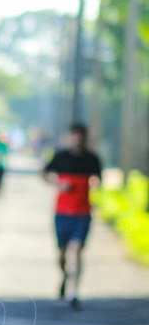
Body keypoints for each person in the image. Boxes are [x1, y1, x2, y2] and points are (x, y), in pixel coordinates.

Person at [42, 123, 102, 310]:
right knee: (62, 254)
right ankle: (65, 275)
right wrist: (58, 184)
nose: (78, 139)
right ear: (70, 137)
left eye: (81, 136)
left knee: (76, 250)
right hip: (62, 212)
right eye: (75, 135)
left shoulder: (92, 159)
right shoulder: (61, 157)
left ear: (85, 138)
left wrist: (95, 183)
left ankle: (73, 291)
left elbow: (99, 179)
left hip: (82, 213)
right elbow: (45, 173)